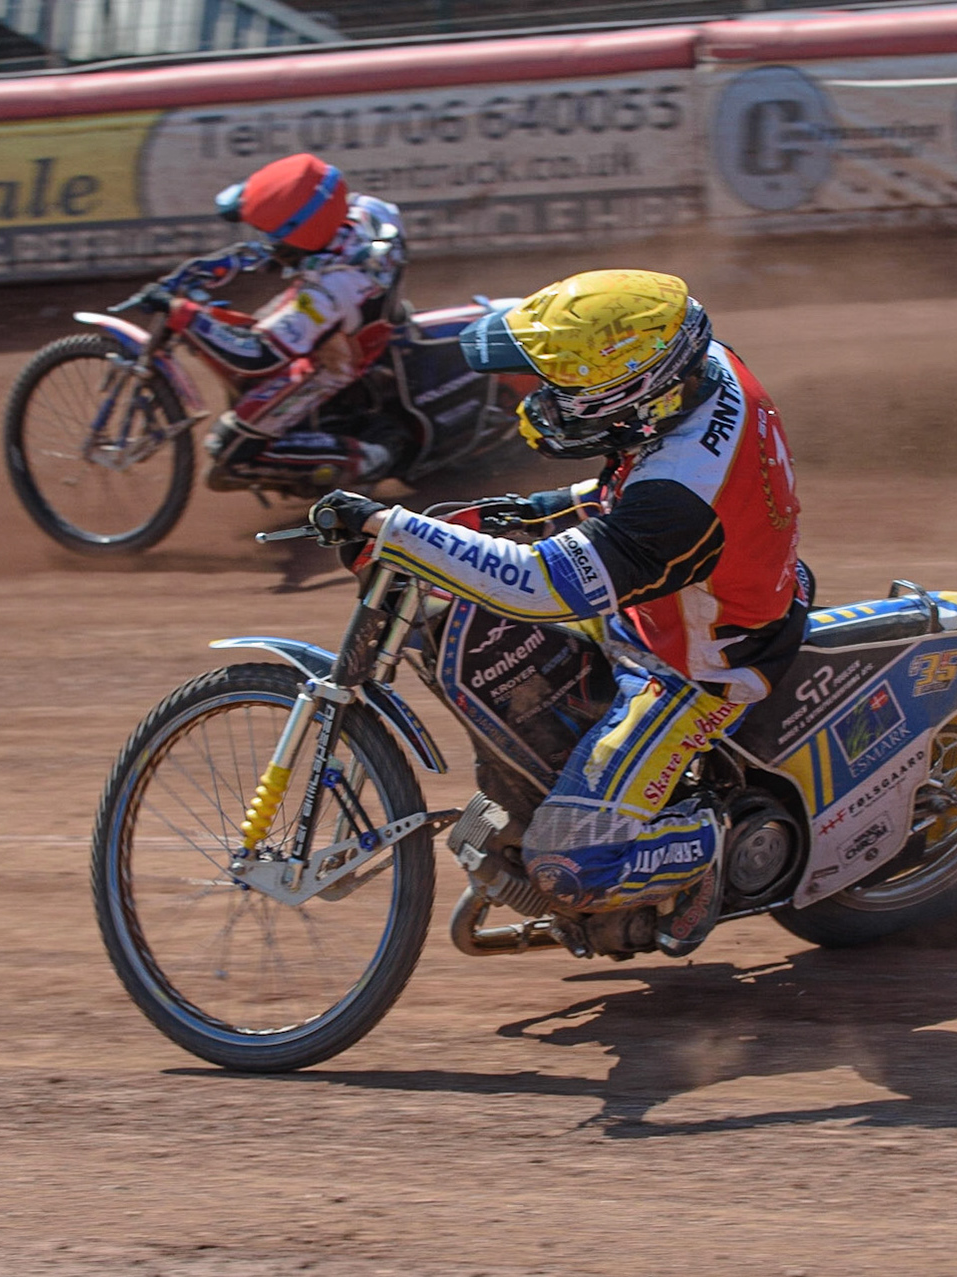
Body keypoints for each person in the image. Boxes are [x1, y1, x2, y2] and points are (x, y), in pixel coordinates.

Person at [311, 269, 807, 956]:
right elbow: (635, 479)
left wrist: (391, 527)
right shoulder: (704, 360)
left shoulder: (679, 496)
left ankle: (706, 844)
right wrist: (536, 509)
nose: (549, 396)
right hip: (689, 594)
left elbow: (538, 583)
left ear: (638, 392)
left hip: (698, 666)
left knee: (567, 864)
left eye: (567, 385)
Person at [138, 152, 408, 492]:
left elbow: (255, 356)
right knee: (253, 322)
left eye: (272, 234)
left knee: (228, 454)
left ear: (303, 231)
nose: (266, 241)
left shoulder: (327, 294)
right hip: (365, 317)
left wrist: (182, 313)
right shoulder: (367, 211)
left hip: (332, 362)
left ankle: (369, 456)